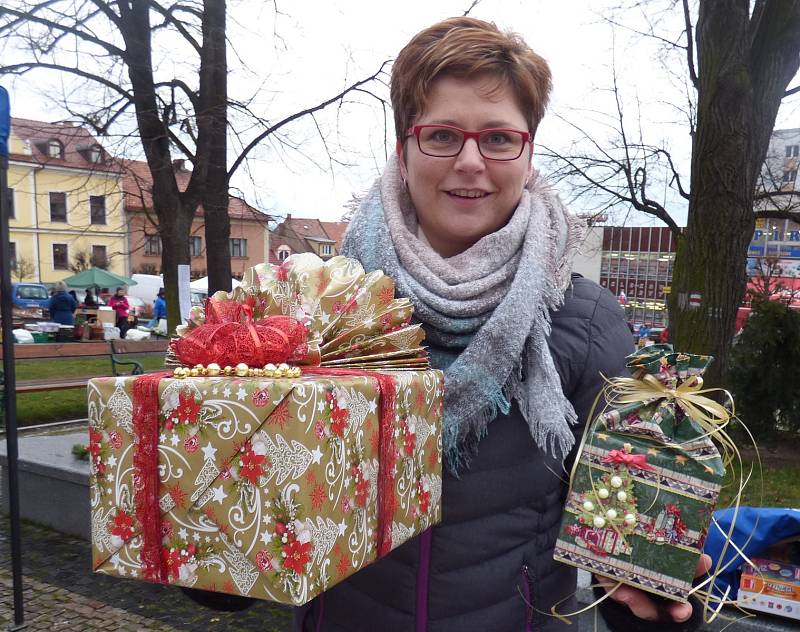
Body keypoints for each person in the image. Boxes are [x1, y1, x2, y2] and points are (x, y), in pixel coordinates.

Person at [296, 18, 709, 632]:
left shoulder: (586, 321)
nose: (469, 162)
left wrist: (652, 596)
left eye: (497, 138)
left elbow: (627, 535)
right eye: (441, 135)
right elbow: (257, 509)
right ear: (404, 149)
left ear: (528, 150)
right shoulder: (320, 309)